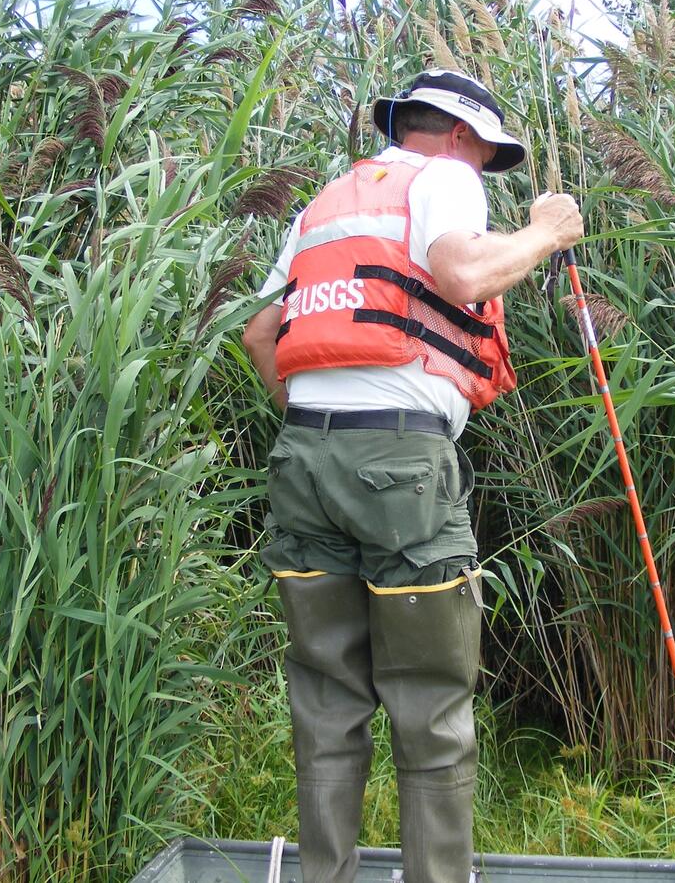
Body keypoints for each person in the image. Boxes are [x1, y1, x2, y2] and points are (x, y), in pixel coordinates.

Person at [242, 69, 583, 883]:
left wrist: (322, 422)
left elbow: (261, 334)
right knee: (429, 704)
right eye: (487, 150)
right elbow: (463, 275)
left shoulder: (325, 204)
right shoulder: (447, 178)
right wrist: (545, 233)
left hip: (303, 458)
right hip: (400, 466)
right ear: (462, 136)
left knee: (327, 703)